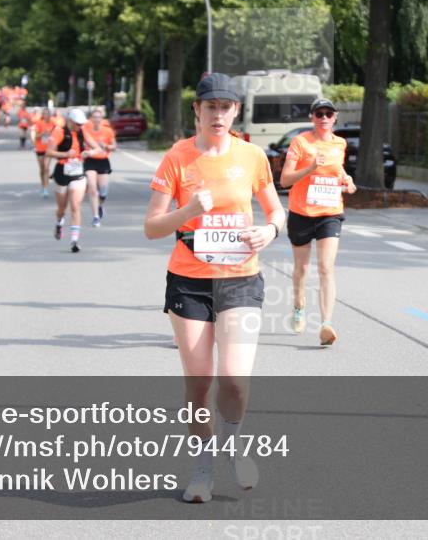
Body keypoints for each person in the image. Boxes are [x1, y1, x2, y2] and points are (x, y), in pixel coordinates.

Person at [144, 73, 285, 503]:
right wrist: (187, 209)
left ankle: (234, 445)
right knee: (199, 383)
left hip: (241, 277)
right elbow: (152, 227)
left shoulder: (252, 156)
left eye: (226, 107)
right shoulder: (178, 158)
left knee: (235, 380)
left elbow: (276, 208)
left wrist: (272, 230)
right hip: (188, 281)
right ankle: (202, 468)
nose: (218, 114)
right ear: (197, 111)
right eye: (210, 107)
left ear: (236, 112)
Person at [279, 97, 356, 346]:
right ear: (312, 117)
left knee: (326, 267)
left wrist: (348, 181)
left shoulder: (340, 143)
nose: (323, 118)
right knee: (302, 269)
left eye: (328, 114)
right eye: (318, 114)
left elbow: (338, 170)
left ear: (334, 118)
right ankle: (299, 306)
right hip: (301, 213)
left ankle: (326, 324)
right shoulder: (301, 142)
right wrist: (310, 168)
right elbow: (285, 180)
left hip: (330, 213)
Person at [46, 109, 101, 252]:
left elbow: (98, 148)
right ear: (70, 121)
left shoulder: (83, 131)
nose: (79, 126)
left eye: (81, 124)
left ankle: (74, 240)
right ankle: (59, 222)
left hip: (77, 172)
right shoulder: (59, 131)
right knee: (62, 208)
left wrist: (89, 152)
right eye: (77, 124)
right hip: (62, 172)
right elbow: (49, 152)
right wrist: (65, 154)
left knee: (75, 205)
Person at [85, 107, 117, 227]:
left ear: (102, 119)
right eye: (95, 117)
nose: (97, 119)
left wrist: (108, 147)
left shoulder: (107, 131)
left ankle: (100, 205)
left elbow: (114, 146)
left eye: (99, 117)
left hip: (103, 161)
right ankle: (95, 217)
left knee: (103, 190)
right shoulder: (86, 130)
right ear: (91, 119)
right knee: (93, 189)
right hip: (90, 161)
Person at [32, 108, 55, 198]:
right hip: (40, 149)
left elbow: (57, 135)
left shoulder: (53, 124)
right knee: (42, 169)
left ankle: (46, 189)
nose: (46, 116)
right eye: (44, 114)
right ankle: (43, 185)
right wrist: (43, 133)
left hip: (48, 149)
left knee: (46, 167)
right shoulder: (38, 123)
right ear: (42, 115)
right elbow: (36, 137)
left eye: (48, 114)